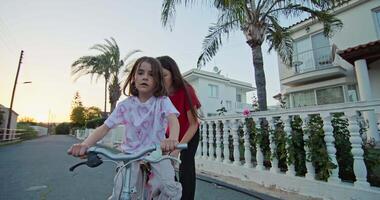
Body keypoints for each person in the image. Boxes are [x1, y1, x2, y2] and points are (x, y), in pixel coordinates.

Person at [68, 56, 182, 200]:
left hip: (156, 152)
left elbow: (173, 120)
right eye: (140, 73)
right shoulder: (125, 106)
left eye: (151, 74)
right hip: (130, 154)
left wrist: (172, 139)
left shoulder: (162, 101)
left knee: (169, 187)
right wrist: (84, 145)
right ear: (133, 78)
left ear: (158, 80)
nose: (145, 77)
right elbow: (104, 128)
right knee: (121, 191)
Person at [157, 56, 201, 200]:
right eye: (158, 76)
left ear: (173, 74)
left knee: (186, 166)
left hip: (190, 133)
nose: (161, 80)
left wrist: (177, 150)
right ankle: (175, 194)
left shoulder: (186, 90)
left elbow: (194, 124)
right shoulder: (159, 94)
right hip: (171, 136)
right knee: (165, 166)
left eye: (164, 75)